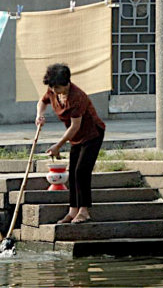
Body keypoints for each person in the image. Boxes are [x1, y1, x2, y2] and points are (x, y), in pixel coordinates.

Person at [35, 63, 105, 224]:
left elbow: (75, 126)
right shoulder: (53, 91)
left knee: (81, 171)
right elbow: (42, 101)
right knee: (72, 172)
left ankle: (84, 211)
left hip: (92, 134)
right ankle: (72, 211)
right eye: (52, 88)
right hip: (76, 137)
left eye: (57, 87)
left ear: (66, 84)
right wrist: (40, 115)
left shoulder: (76, 97)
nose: (54, 91)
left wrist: (58, 146)